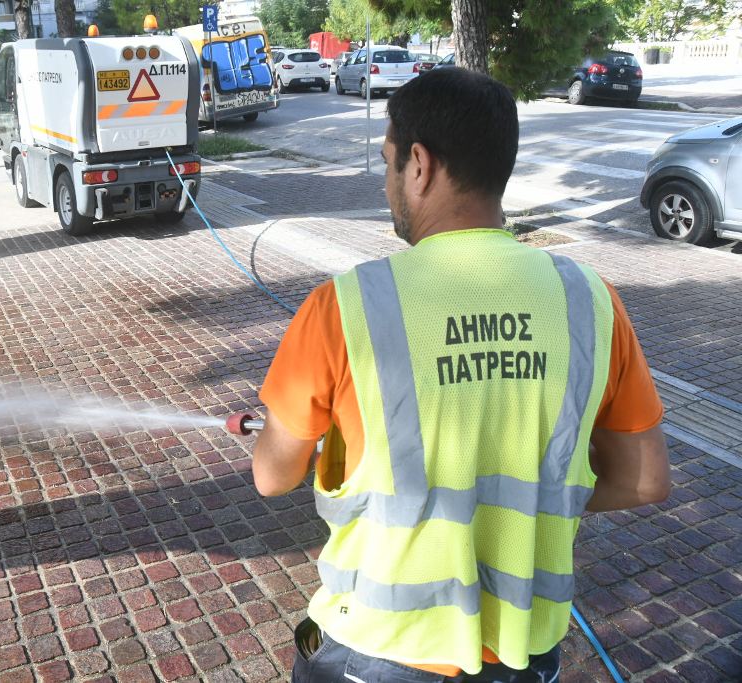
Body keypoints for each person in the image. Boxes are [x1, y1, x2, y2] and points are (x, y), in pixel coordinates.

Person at [252, 67, 671, 682]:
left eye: (390, 161)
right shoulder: (589, 301)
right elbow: (645, 481)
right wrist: (535, 496)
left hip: (379, 647)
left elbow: (270, 474)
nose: (389, 182)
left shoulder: (344, 307)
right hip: (524, 653)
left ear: (419, 165)